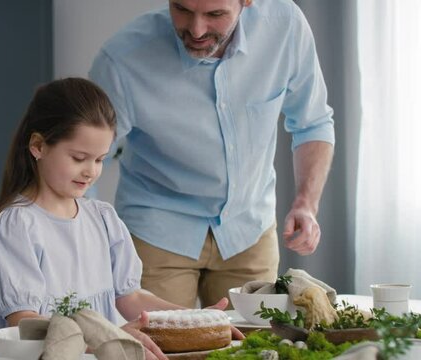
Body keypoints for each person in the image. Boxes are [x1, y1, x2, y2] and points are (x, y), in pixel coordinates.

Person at [88, 0, 335, 309]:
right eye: (182, 9)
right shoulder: (122, 59)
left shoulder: (283, 25)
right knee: (164, 350)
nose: (196, 29)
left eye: (215, 14)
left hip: (249, 229)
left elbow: (312, 123)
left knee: (254, 352)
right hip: (157, 232)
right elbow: (85, 155)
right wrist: (88, 239)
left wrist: (306, 205)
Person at [0, 78, 244, 359]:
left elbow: (130, 297)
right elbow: (23, 322)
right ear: (38, 146)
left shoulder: (102, 217)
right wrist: (105, 338)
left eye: (100, 159)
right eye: (79, 158)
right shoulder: (18, 225)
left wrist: (196, 319)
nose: (91, 171)